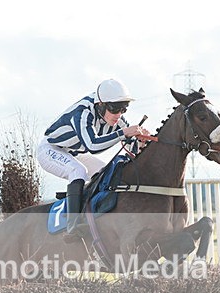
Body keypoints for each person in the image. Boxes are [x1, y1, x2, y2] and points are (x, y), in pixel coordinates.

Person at [37, 78, 150, 235]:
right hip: (51, 150)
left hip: (76, 153)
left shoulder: (117, 118)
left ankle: (95, 214)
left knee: (105, 173)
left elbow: (132, 150)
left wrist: (141, 142)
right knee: (78, 171)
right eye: (115, 108)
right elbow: (93, 146)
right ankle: (73, 225)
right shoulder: (83, 112)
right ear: (101, 105)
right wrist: (123, 133)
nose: (119, 114)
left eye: (124, 109)